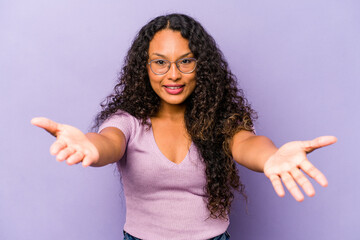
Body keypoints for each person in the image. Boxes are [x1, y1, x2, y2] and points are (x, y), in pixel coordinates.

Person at [31, 13, 337, 240]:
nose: (173, 74)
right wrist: (89, 145)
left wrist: (271, 157)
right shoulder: (128, 123)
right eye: (160, 62)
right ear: (145, 68)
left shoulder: (218, 119)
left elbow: (246, 144)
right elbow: (107, 143)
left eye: (186, 61)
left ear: (201, 66)